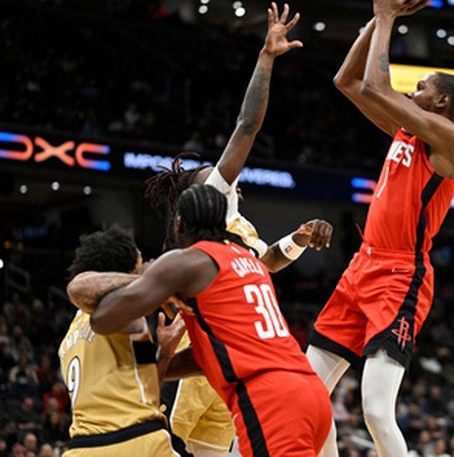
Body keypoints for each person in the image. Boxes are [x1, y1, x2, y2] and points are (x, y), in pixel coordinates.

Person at [143, 2, 332, 457]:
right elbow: (246, 126)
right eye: (221, 178)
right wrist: (266, 59)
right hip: (209, 352)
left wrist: (298, 239)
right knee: (185, 449)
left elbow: (263, 264)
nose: (232, 179)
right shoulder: (207, 221)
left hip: (236, 358)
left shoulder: (236, 229)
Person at [305, 0, 454, 457]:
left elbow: (376, 86)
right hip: (362, 266)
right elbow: (347, 80)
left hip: (401, 273)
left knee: (376, 409)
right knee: (309, 393)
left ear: (440, 101)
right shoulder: (406, 130)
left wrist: (386, 17)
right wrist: (373, 23)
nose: (411, 91)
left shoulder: (450, 142)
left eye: (419, 87)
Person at [68, 184, 332, 457]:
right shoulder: (248, 260)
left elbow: (100, 320)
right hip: (310, 393)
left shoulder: (189, 263)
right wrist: (163, 360)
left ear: (179, 223)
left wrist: (154, 280)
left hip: (270, 400)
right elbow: (213, 354)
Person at [60, 226, 183, 456]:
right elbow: (79, 285)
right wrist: (157, 280)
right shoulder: (122, 312)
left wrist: (164, 354)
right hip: (135, 441)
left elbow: (143, 393)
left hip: (81, 449)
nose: (147, 266)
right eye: (139, 264)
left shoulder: (69, 337)